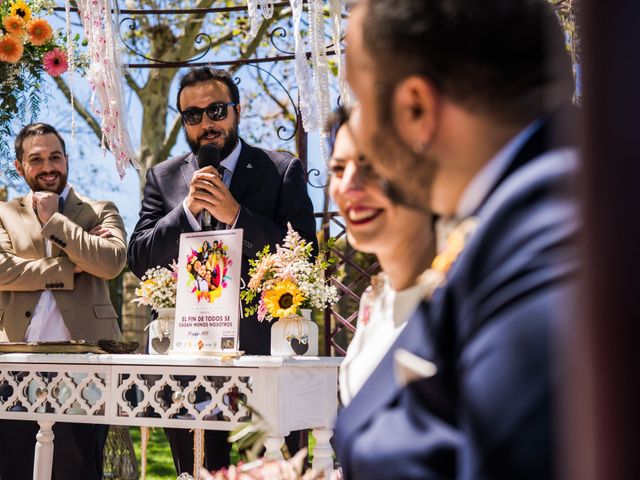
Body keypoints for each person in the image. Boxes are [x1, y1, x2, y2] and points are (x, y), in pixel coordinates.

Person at [333, 0, 580, 479]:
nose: (354, 127)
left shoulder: (552, 245)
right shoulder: (508, 221)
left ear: (415, 107)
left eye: (360, 100)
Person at [127, 67, 316, 474]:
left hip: (263, 358)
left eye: (216, 110)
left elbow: (307, 258)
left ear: (237, 110)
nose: (206, 123)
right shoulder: (163, 177)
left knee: (276, 473)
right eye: (193, 116)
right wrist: (186, 213)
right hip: (188, 366)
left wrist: (236, 217)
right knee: (196, 473)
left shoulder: (280, 169)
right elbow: (138, 259)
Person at [0, 123, 127, 480]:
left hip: (86, 365)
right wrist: (74, 266)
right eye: (36, 159)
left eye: (55, 157)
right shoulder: (4, 213)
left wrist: (54, 221)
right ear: (20, 167)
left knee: (80, 466)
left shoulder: (100, 210)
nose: (48, 167)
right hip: (15, 363)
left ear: (67, 160)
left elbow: (112, 262)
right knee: (14, 466)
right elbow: (1, 270)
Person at [327, 107, 434, 406]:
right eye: (338, 169)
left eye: (371, 165)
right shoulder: (375, 298)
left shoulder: (463, 295)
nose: (348, 186)